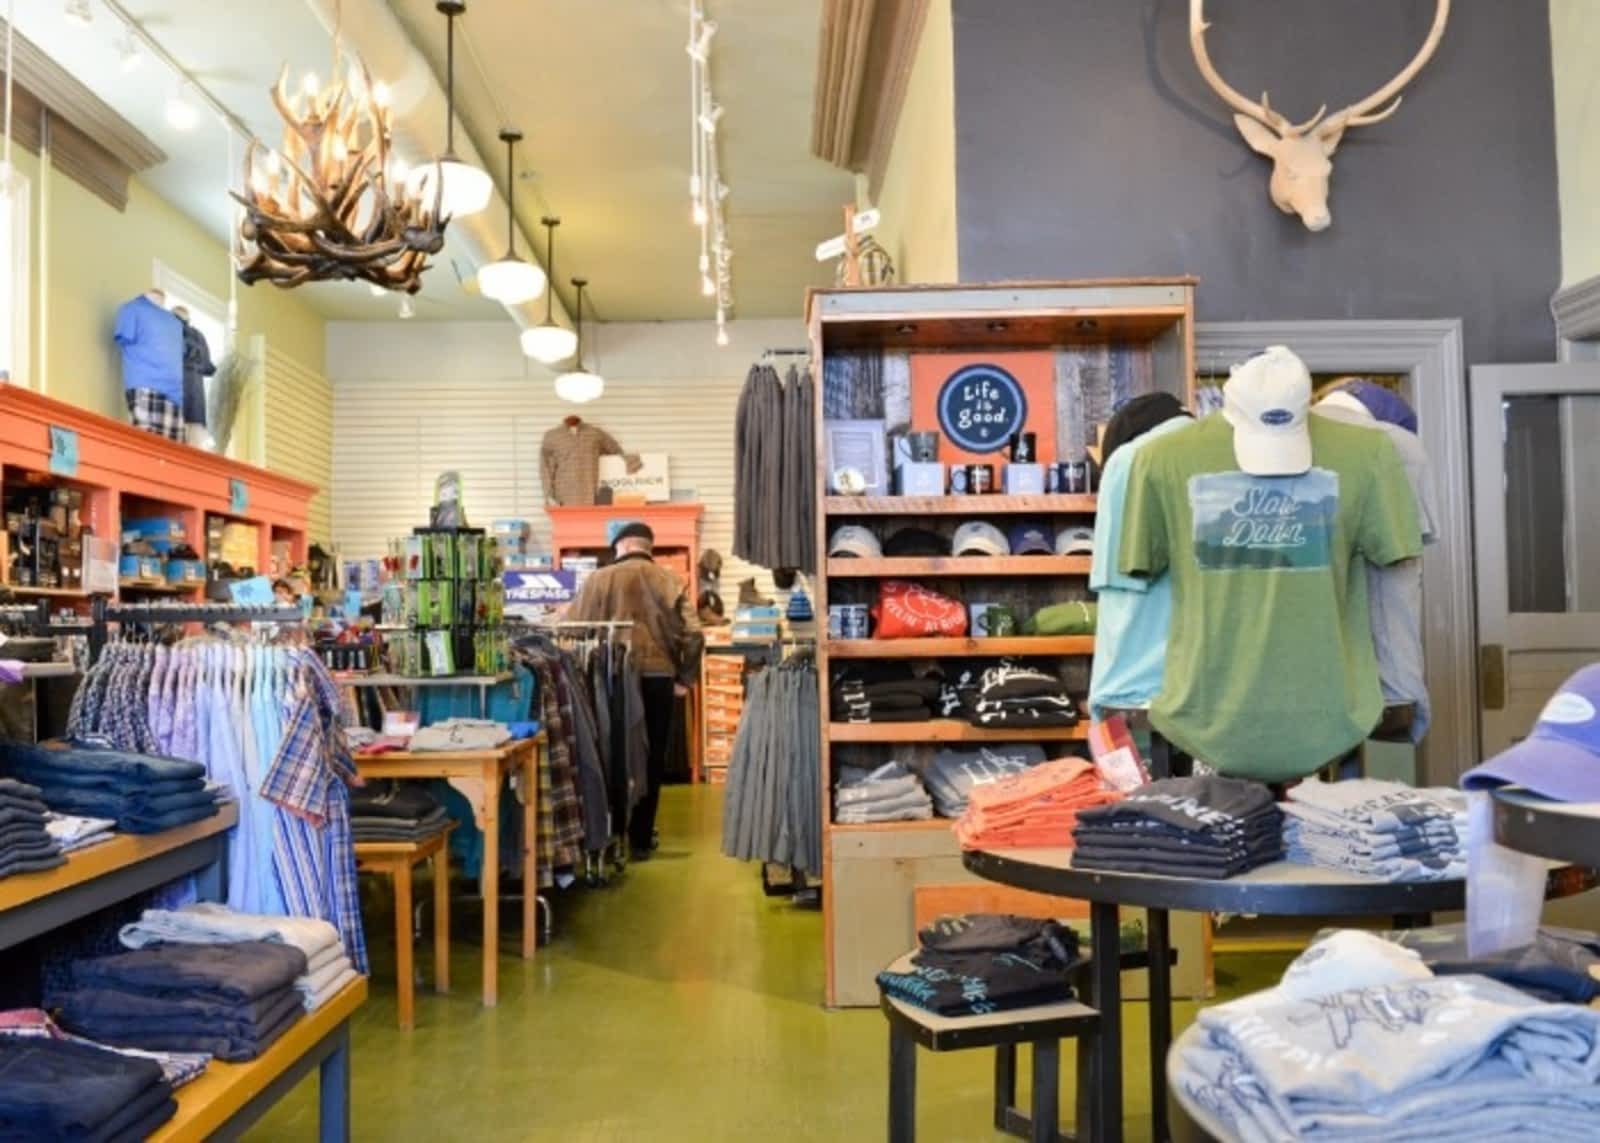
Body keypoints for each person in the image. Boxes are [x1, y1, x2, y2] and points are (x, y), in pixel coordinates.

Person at [563, 522, 703, 859]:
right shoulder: (669, 580)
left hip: (609, 674)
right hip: (658, 676)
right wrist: (685, 678)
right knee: (652, 757)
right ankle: (640, 838)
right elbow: (695, 633)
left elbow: (572, 628)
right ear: (647, 547)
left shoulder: (598, 580)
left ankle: (609, 833)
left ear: (622, 546)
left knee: (609, 752)